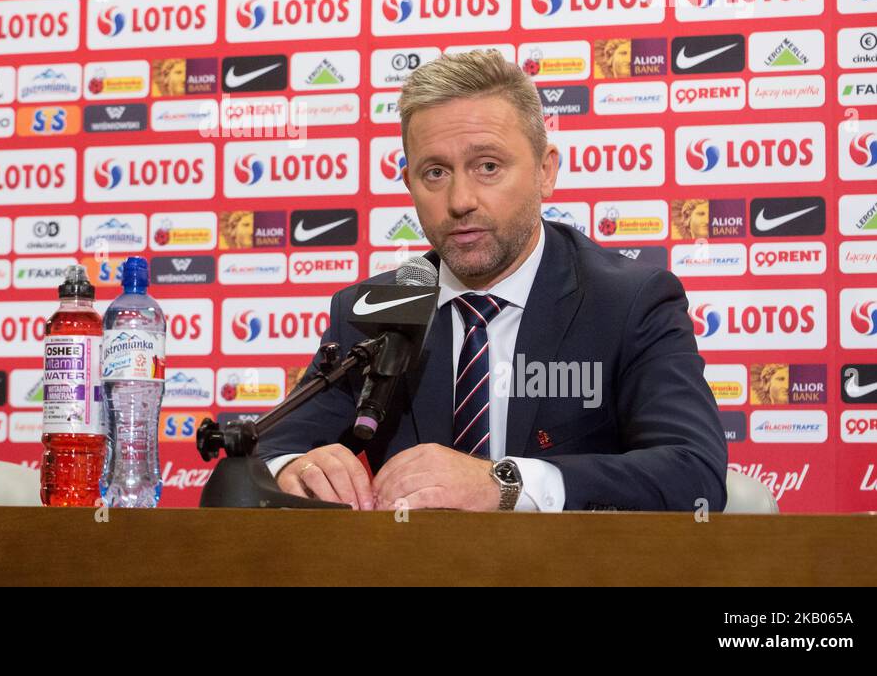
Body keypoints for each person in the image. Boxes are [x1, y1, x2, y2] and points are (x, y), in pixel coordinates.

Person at [258, 49, 728, 512]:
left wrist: (503, 483)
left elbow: (694, 473)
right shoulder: (375, 310)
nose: (461, 200)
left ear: (546, 172)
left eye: (488, 167)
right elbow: (261, 454)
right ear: (409, 184)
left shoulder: (628, 302)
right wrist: (294, 468)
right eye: (435, 172)